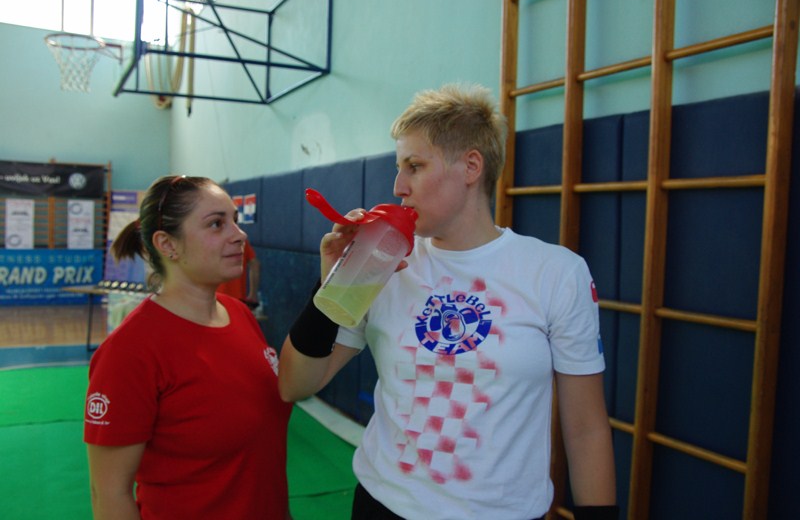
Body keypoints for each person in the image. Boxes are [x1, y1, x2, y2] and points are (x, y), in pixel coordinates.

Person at [279, 84, 618, 520]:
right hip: (384, 505)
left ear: (471, 166)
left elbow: (586, 429)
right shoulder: (385, 264)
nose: (399, 186)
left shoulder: (555, 273)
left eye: (415, 166)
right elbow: (296, 385)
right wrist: (331, 288)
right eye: (399, 168)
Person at [84, 175, 292, 519]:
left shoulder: (240, 315)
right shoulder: (129, 352)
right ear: (167, 244)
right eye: (216, 224)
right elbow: (109, 493)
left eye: (235, 221)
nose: (239, 235)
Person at [217, 239, 261, 308]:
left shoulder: (210, 240)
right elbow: (255, 265)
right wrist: (253, 294)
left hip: (214, 298)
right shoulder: (240, 240)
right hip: (238, 299)